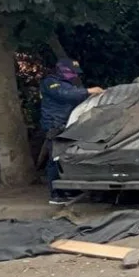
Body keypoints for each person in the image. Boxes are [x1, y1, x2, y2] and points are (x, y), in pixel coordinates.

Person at [40, 59, 103, 205]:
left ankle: (67, 189)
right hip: (54, 125)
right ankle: (56, 194)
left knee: (68, 157)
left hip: (67, 125)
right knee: (55, 159)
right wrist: (88, 91)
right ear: (62, 70)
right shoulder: (51, 82)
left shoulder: (68, 85)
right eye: (72, 72)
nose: (74, 75)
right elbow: (65, 95)